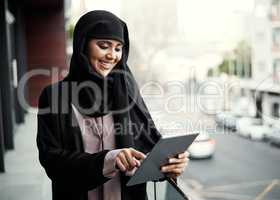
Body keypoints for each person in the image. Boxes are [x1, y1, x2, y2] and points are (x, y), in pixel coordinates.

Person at [36, 10, 189, 200]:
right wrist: (109, 160)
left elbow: (147, 151)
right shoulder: (54, 96)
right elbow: (52, 160)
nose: (112, 55)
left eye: (118, 48)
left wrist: (170, 165)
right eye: (103, 46)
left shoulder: (127, 93)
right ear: (83, 45)